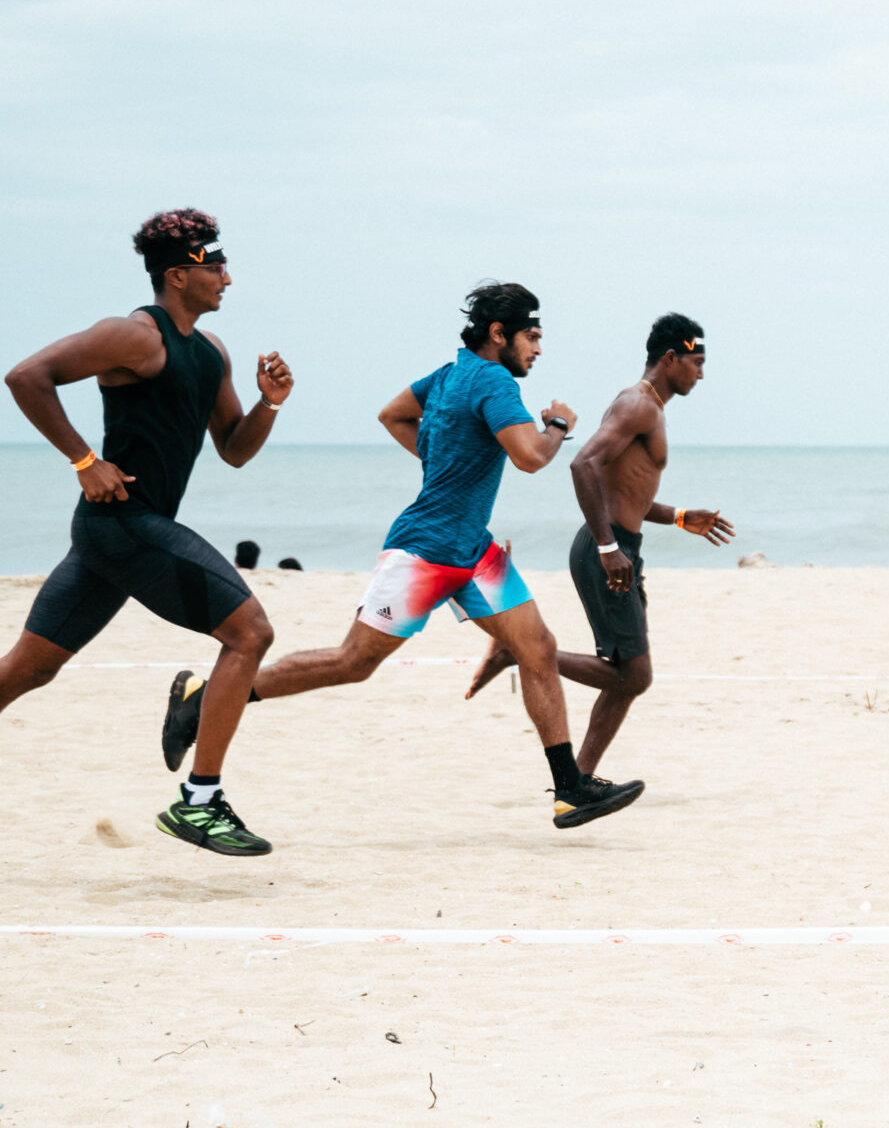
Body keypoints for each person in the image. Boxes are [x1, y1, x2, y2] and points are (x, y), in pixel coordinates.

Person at [165, 282, 646, 829]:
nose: (538, 349)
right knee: (353, 663)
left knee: (537, 648)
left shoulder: (448, 374)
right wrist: (557, 425)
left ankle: (569, 788)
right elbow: (532, 457)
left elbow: (392, 414)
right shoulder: (493, 380)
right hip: (425, 550)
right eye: (531, 337)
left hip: (473, 547)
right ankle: (205, 698)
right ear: (499, 334)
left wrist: (446, 457)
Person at [0, 209, 292, 856]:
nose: (227, 278)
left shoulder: (211, 352)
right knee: (250, 634)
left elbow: (234, 449)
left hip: (118, 534)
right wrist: (84, 460)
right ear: (179, 275)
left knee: (26, 670)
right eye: (216, 266)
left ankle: (201, 800)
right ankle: (200, 803)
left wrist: (269, 402)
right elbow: (25, 377)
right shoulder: (134, 336)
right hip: (125, 525)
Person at [466, 313, 735, 771]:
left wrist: (679, 517)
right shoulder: (638, 405)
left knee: (625, 676)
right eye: (698, 363)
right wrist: (609, 549)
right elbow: (583, 465)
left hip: (617, 548)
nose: (702, 374)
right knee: (634, 676)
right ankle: (516, 652)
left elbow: (625, 492)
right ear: (672, 358)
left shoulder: (648, 407)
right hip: (606, 551)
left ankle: (582, 779)